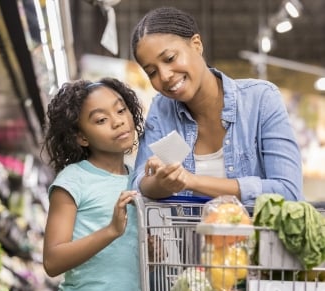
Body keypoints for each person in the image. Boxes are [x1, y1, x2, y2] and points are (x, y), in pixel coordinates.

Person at [129, 6, 304, 206]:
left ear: (196, 45)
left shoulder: (261, 100)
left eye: (170, 58)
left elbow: (288, 191)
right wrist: (160, 183)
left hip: (260, 237)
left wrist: (192, 181)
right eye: (152, 72)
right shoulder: (162, 111)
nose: (165, 76)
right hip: (187, 238)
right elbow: (138, 185)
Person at [42, 77, 145, 291]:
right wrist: (111, 231)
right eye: (101, 120)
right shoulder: (73, 180)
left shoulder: (138, 178)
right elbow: (52, 261)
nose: (117, 122)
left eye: (120, 110)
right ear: (81, 137)